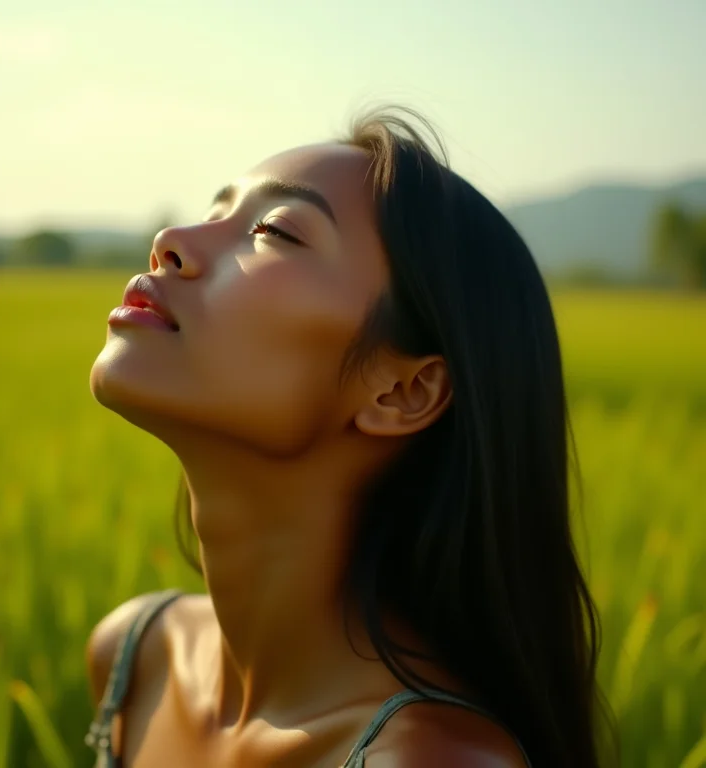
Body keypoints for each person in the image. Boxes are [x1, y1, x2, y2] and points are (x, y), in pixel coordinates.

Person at [85, 106, 610, 767]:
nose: (171, 239)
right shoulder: (135, 656)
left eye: (273, 231)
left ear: (401, 392)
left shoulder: (429, 760)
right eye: (215, 209)